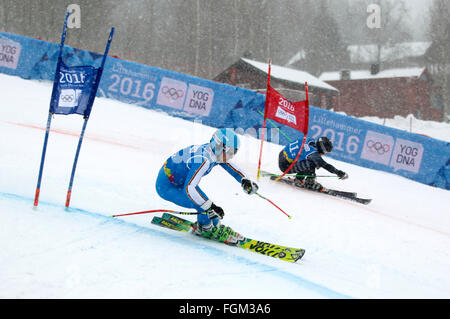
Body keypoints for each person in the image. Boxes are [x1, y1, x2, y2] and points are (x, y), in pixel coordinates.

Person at [155, 128, 259, 245]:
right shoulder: (204, 160)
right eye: (229, 152)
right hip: (167, 187)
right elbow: (189, 189)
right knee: (203, 206)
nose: (231, 156)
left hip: (180, 182)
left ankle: (214, 226)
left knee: (210, 210)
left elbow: (231, 167)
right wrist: (210, 207)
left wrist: (245, 180)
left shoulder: (215, 152)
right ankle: (204, 229)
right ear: (219, 146)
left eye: (234, 152)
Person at [278, 136, 348, 191]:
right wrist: (338, 172)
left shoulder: (310, 140)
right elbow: (325, 165)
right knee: (312, 163)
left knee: (311, 161)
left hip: (282, 156)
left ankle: (299, 178)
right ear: (322, 149)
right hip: (285, 166)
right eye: (325, 152)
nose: (324, 154)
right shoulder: (313, 153)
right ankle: (309, 182)